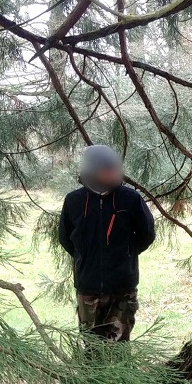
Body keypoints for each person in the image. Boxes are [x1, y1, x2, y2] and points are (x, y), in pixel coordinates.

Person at [57, 145, 156, 344]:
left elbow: (147, 234)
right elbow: (66, 238)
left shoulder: (131, 199)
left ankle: (121, 377)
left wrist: (125, 255)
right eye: (108, 170)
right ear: (92, 171)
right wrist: (85, 257)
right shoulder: (74, 201)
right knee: (92, 346)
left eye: (116, 169)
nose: (114, 174)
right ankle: (92, 377)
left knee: (120, 346)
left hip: (123, 287)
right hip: (88, 287)